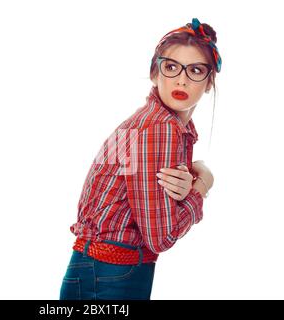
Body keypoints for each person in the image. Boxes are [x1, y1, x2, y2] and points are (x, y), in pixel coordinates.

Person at [60, 18, 221, 300]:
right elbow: (161, 237)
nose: (181, 79)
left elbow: (133, 193)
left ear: (209, 82)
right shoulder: (160, 129)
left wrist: (184, 189)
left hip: (90, 269)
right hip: (112, 275)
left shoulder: (147, 122)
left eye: (195, 70)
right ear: (154, 73)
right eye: (171, 67)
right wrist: (202, 186)